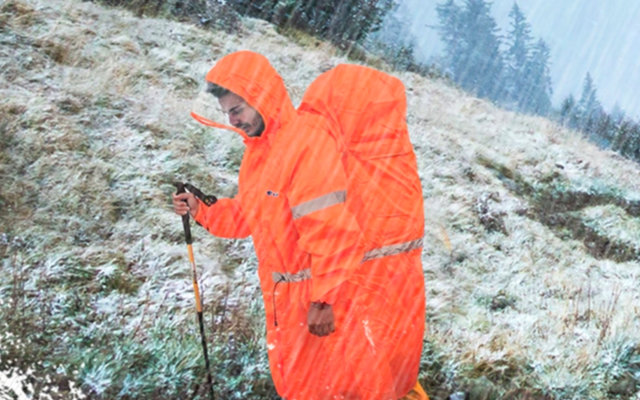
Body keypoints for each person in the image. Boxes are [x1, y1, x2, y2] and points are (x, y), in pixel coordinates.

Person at [173, 50, 428, 400]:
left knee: (340, 386)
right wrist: (202, 211)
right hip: (288, 299)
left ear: (261, 97)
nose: (233, 121)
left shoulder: (306, 143)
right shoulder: (259, 152)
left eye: (237, 110)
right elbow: (254, 215)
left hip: (318, 296)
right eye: (226, 113)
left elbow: (331, 229)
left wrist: (324, 300)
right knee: (307, 387)